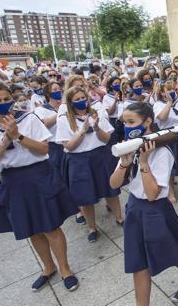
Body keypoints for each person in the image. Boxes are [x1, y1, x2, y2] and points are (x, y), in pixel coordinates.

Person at [0, 81, 79, 291]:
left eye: (6, 99)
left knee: (50, 226)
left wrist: (18, 136)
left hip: (38, 174)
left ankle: (65, 268)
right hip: (12, 180)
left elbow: (43, 149)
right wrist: (4, 143)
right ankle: (48, 267)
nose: (3, 104)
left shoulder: (28, 118)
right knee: (31, 229)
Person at [110, 102, 178, 304]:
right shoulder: (129, 146)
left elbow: (152, 194)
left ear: (148, 121)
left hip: (156, 210)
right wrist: (124, 163)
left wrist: (143, 162)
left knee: (175, 252)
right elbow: (113, 184)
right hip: (134, 209)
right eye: (125, 122)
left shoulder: (162, 152)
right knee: (138, 264)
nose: (127, 126)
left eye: (132, 122)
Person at [55, 87, 123, 242]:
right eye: (77, 99)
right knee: (85, 196)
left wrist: (97, 127)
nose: (81, 102)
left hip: (99, 156)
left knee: (110, 190)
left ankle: (119, 217)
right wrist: (82, 131)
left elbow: (106, 139)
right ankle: (92, 227)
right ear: (70, 102)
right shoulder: (64, 119)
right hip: (79, 161)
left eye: (83, 98)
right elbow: (68, 146)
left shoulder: (95, 113)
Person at [153, 80, 178, 195]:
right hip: (168, 138)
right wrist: (169, 103)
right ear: (161, 92)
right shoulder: (158, 105)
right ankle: (170, 192)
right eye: (168, 90)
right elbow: (162, 118)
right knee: (169, 165)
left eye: (173, 89)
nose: (171, 92)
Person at [34, 81, 64, 180]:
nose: (58, 91)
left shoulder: (66, 106)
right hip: (54, 147)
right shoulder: (41, 109)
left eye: (59, 89)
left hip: (68, 144)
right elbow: (44, 124)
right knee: (57, 175)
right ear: (48, 94)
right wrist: (60, 112)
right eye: (55, 90)